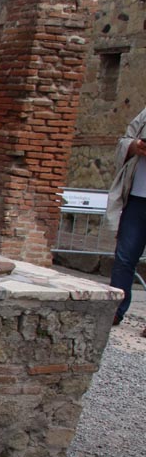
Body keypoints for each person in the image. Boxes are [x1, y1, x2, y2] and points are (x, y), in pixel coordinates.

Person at [107, 106, 146, 330]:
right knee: (124, 258)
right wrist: (135, 146)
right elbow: (125, 141)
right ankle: (116, 309)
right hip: (136, 198)